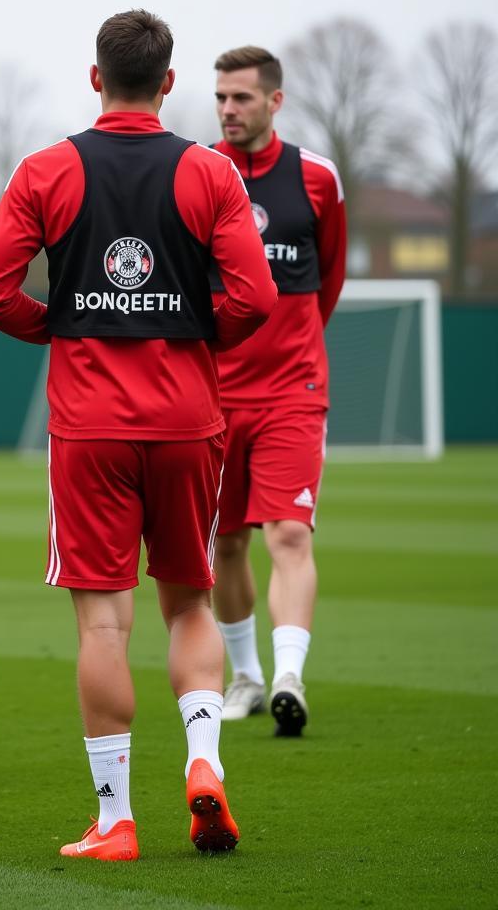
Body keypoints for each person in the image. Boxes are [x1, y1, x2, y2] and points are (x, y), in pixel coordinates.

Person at [0, 10, 277, 859]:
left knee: (104, 627)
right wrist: (188, 326)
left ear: (94, 77)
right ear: (171, 83)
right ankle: (205, 764)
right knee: (190, 602)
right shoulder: (210, 172)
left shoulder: (47, 168)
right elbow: (254, 300)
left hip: (88, 428)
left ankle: (115, 820)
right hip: (188, 422)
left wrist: (63, 326)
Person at [209, 47, 347, 738]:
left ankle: (289, 673)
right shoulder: (196, 172)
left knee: (289, 531)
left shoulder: (318, 177)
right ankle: (246, 678)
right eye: (222, 98)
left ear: (275, 101)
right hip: (210, 394)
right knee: (223, 543)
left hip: (293, 388)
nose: (229, 110)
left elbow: (330, 278)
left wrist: (293, 351)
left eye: (241, 98)